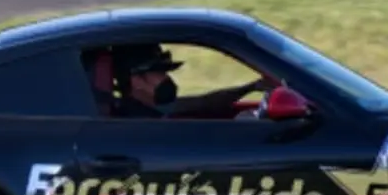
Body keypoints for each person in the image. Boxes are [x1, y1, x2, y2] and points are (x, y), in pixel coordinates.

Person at [112, 43, 275, 118]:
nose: (167, 78)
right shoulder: (139, 121)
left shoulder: (152, 110)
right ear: (136, 81)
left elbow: (203, 103)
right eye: (158, 72)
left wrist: (252, 87)